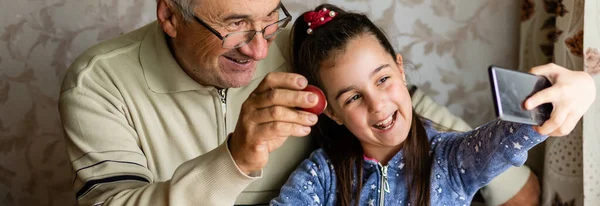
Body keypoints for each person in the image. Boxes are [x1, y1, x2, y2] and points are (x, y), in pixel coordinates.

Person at [59, 0, 556, 205]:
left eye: (270, 17)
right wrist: (233, 160)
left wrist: (547, 114)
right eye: (233, 26)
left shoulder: (302, 42)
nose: (260, 49)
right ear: (170, 15)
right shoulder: (99, 85)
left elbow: (401, 107)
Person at [270, 4, 595, 206]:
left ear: (400, 68)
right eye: (353, 97)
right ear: (332, 112)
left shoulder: (450, 159)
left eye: (382, 79)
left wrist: (582, 87)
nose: (377, 103)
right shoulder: (320, 176)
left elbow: (508, 137)